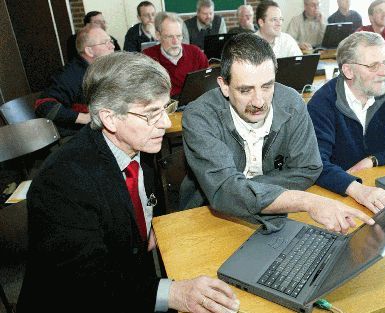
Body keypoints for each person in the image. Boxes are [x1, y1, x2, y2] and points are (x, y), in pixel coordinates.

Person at [16, 52, 240, 313]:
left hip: (132, 286)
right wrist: (175, 293)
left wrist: (149, 225)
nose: (166, 123)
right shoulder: (62, 183)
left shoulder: (139, 145)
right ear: (110, 118)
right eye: (151, 114)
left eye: (166, 108)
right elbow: (88, 283)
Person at [180, 33, 375, 234]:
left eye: (267, 86)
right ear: (224, 86)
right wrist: (306, 201)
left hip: (278, 214)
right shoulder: (199, 115)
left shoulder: (292, 103)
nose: (259, 101)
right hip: (208, 217)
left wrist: (244, 189)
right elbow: (225, 192)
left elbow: (309, 168)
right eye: (245, 90)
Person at [307, 31, 385, 211]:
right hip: (337, 197)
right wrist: (358, 189)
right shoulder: (322, 103)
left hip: (377, 185)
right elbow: (316, 165)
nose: (384, 72)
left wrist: (373, 160)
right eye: (373, 66)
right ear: (348, 70)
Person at [35, 25, 115, 137]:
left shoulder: (105, 70)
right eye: (105, 43)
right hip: (80, 136)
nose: (112, 46)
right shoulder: (69, 75)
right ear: (89, 51)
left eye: (111, 41)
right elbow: (44, 106)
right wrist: (86, 118)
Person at [143, 12, 208, 98]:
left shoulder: (196, 53)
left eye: (179, 36)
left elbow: (207, 84)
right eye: (170, 37)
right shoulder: (148, 58)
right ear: (158, 35)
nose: (175, 42)